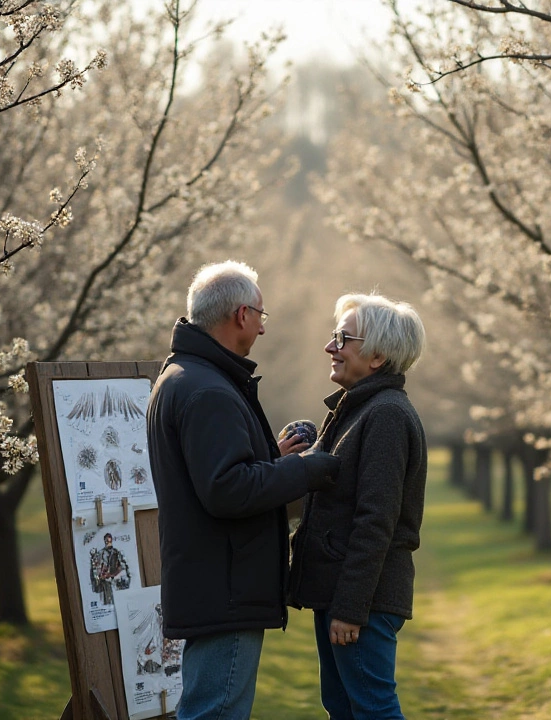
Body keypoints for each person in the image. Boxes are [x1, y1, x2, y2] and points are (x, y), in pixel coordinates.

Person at [147, 260, 340, 720]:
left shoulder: (185, 377)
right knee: (214, 712)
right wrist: (304, 469)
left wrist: (270, 459)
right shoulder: (208, 390)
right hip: (226, 588)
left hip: (214, 583)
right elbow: (228, 490)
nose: (263, 329)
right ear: (240, 316)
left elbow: (215, 474)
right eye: (261, 316)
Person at [288, 293, 428, 720]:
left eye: (342, 338)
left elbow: (376, 522)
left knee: (372, 710)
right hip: (341, 596)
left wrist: (350, 609)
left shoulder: (385, 415)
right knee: (345, 708)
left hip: (359, 603)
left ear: (378, 356)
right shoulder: (360, 410)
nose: (331, 347)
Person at [89, 532, 131, 606]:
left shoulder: (116, 552)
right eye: (107, 541)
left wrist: (114, 575)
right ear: (104, 541)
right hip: (105, 582)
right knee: (108, 603)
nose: (108, 543)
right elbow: (97, 568)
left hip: (116, 580)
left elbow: (122, 566)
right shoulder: (101, 553)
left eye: (110, 541)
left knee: (120, 603)